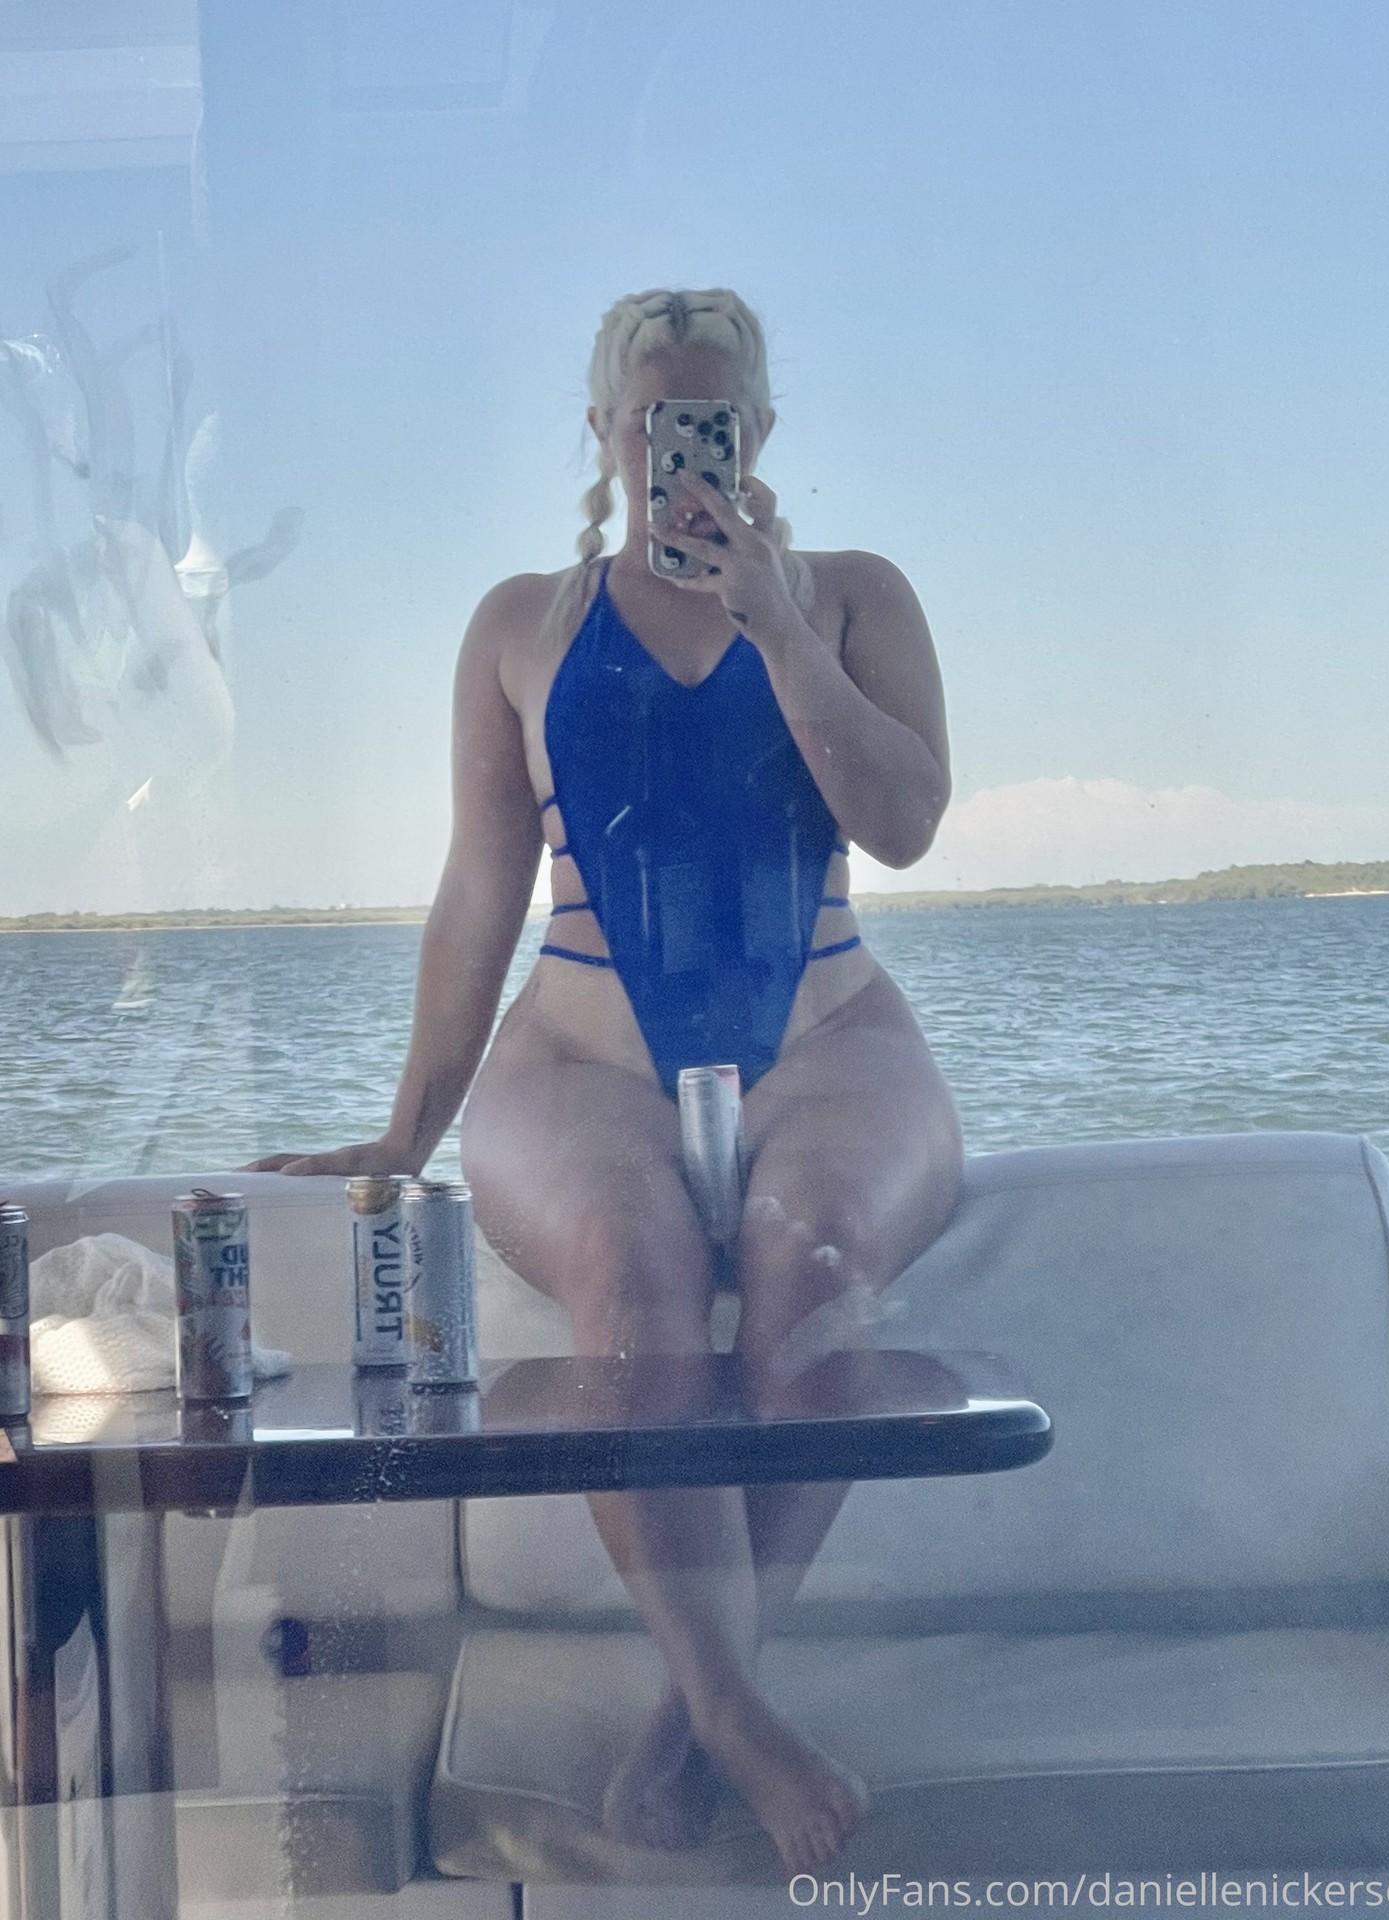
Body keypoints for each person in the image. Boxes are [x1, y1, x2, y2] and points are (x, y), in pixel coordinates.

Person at [250, 288, 964, 1874]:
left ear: (758, 432)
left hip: (832, 1043)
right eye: (653, 421)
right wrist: (403, 1131)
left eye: (713, 420)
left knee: (814, 1263)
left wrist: (780, 627)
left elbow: (907, 821)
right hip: (581, 1059)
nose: (680, 449)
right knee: (629, 1279)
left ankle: (693, 1712)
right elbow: (478, 892)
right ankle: (732, 1710)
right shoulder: (521, 626)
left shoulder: (853, 597)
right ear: (604, 433)